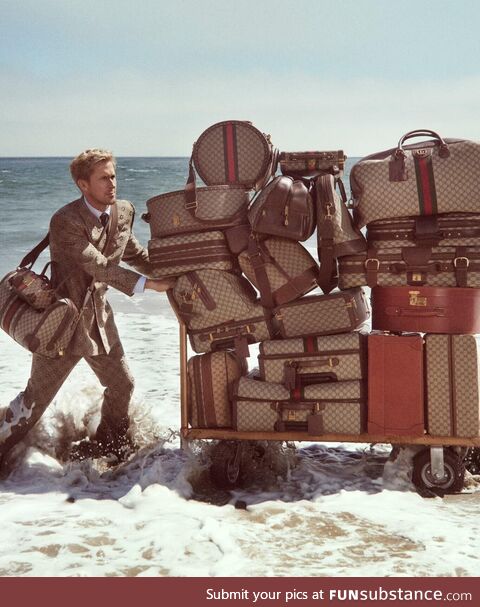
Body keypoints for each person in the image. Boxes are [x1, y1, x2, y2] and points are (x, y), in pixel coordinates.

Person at [0, 148, 173, 465]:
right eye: (103, 178)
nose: (112, 184)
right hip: (62, 325)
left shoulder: (123, 212)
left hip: (99, 322)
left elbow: (133, 253)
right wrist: (148, 285)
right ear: (83, 185)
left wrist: (171, 274)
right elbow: (99, 266)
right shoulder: (64, 221)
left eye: (113, 175)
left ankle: (110, 449)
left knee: (122, 384)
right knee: (34, 403)